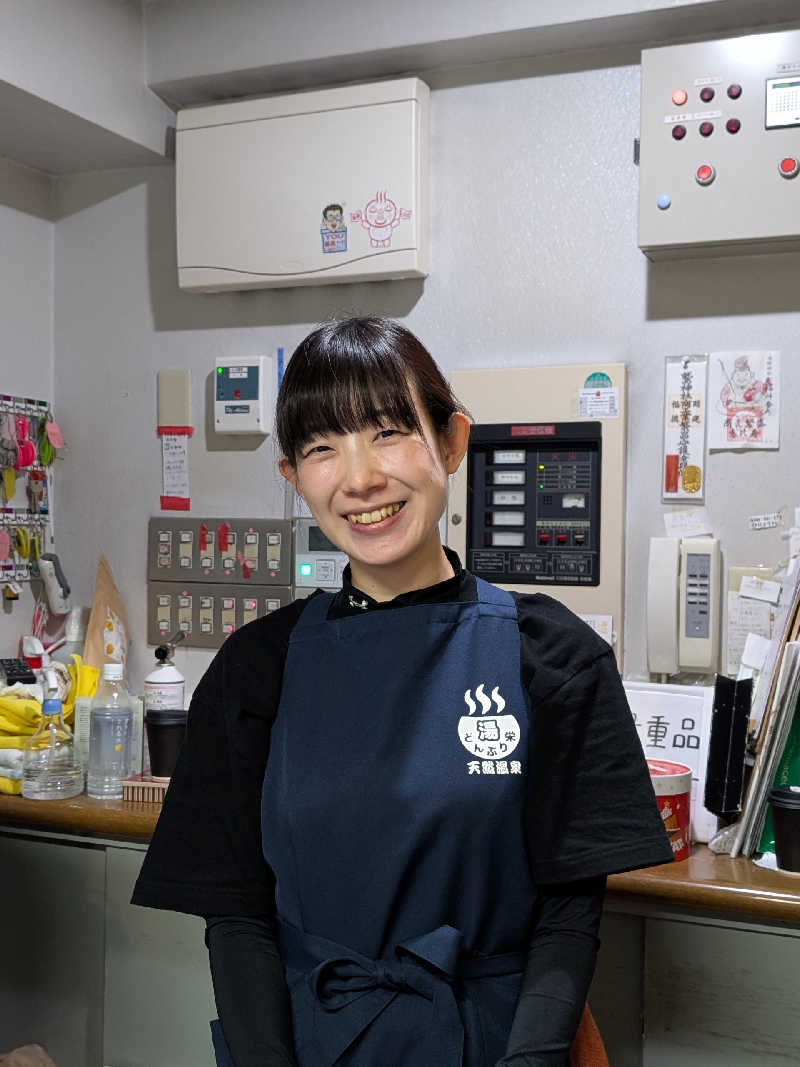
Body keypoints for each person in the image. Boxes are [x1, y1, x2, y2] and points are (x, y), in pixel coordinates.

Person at [132, 317, 673, 1067]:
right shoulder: (256, 668)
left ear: (452, 441)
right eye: (323, 447)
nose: (359, 478)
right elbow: (237, 912)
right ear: (293, 476)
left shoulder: (551, 658)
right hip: (310, 1041)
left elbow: (568, 912)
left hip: (490, 1042)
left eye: (388, 431)